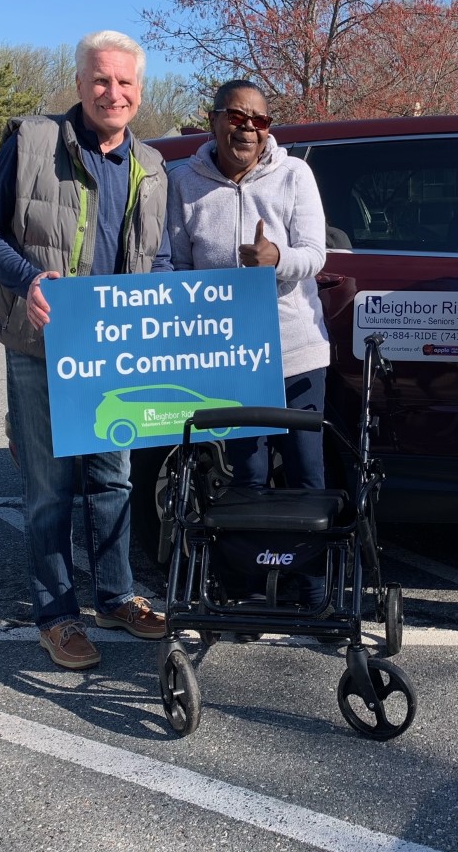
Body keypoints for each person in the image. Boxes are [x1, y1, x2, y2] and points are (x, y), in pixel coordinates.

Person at [0, 30, 170, 670]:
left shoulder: (152, 166)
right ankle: (55, 616)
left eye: (125, 82)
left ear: (140, 90)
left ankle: (116, 597)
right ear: (80, 85)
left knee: (113, 478)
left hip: (115, 351)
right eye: (101, 81)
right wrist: (28, 280)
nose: (114, 92)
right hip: (41, 343)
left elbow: (154, 255)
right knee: (50, 488)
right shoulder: (31, 143)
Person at [166, 79, 331, 610]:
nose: (248, 129)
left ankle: (314, 589)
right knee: (246, 476)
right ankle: (247, 590)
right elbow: (172, 265)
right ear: (213, 120)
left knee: (308, 474)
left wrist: (275, 260)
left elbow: (315, 254)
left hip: (297, 349)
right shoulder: (181, 182)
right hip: (229, 356)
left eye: (259, 120)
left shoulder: (294, 174)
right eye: (237, 117)